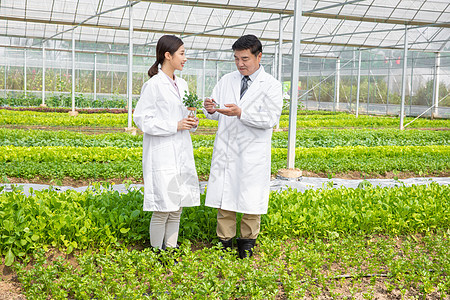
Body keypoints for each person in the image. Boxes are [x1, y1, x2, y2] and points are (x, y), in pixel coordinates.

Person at [203, 34, 283, 258]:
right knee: (225, 197)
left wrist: (241, 113)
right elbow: (214, 111)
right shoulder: (227, 79)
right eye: (237, 59)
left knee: (251, 200)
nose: (240, 64)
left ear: (259, 56)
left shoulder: (272, 86)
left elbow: (270, 119)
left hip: (253, 152)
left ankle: (247, 243)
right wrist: (210, 108)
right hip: (227, 149)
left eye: (245, 59)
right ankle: (224, 241)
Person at [133, 35, 200, 251]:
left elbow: (186, 117)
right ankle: (156, 251)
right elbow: (142, 119)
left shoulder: (183, 84)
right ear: (168, 55)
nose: (185, 58)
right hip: (162, 153)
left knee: (177, 206)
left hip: (181, 150)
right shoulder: (153, 85)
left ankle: (171, 249)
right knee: (163, 207)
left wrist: (192, 122)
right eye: (182, 53)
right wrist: (175, 125)